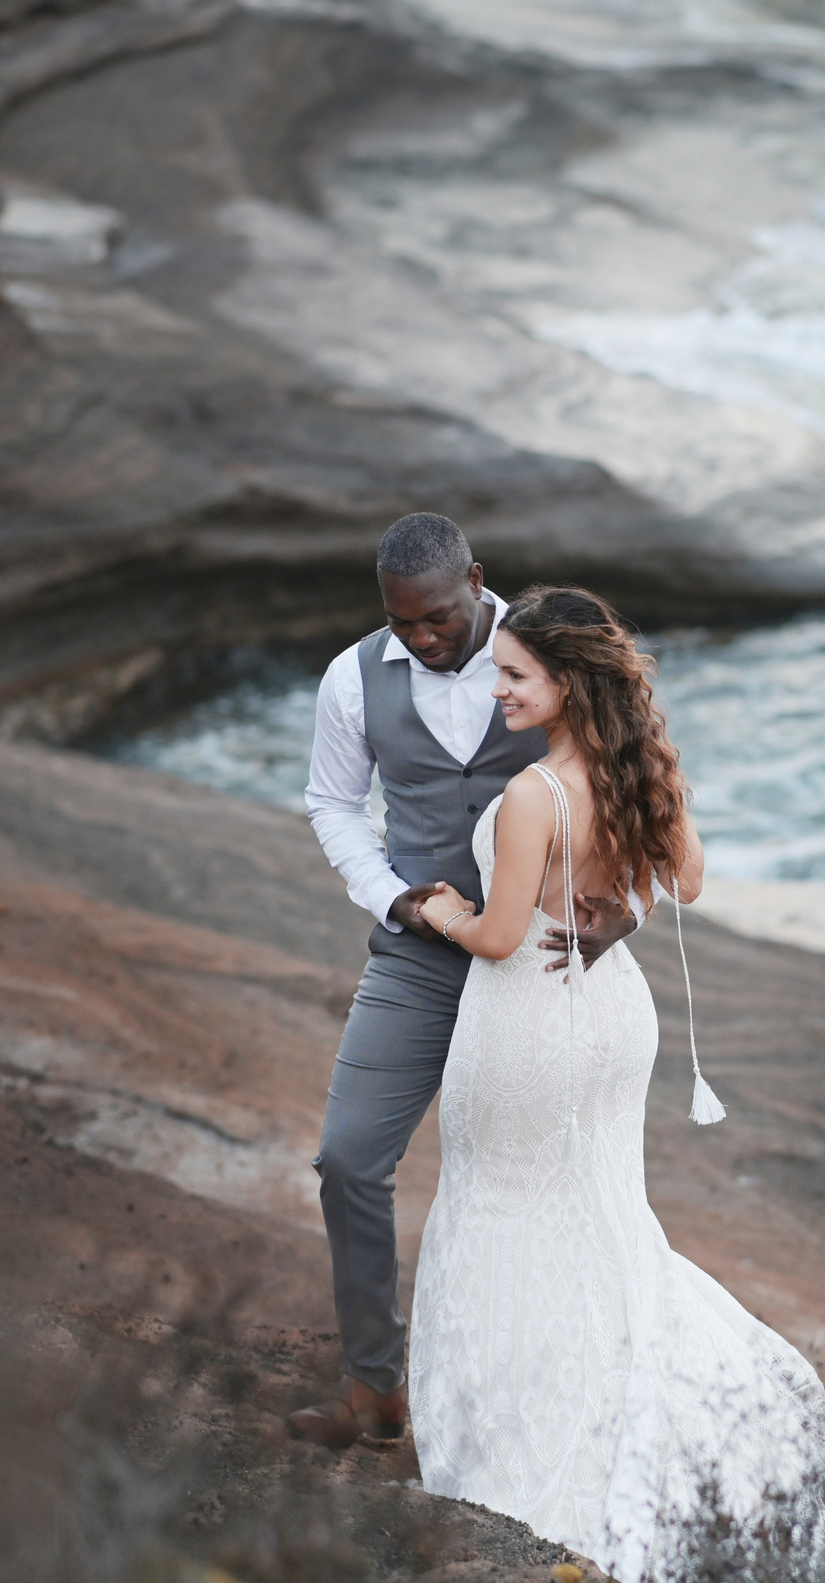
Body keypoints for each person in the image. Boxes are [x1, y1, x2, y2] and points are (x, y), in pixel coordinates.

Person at [403, 585, 825, 1583]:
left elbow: (504, 936)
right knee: (601, 1215)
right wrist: (615, 912)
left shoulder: (530, 799)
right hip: (611, 1017)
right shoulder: (640, 768)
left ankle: (520, 1450)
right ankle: (625, 1395)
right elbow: (683, 882)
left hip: (527, 1027)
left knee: (498, 1205)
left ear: (566, 683)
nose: (497, 687)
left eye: (514, 673)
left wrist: (438, 908)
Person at [288, 517, 638, 1450]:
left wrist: (627, 906)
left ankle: (574, 1401)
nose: (423, 639)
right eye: (402, 624)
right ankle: (376, 1390)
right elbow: (332, 801)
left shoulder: (544, 662)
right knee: (348, 1159)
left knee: (540, 1182)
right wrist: (393, 895)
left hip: (542, 967)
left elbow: (636, 782)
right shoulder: (351, 678)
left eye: (437, 617)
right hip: (421, 955)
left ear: (476, 581)